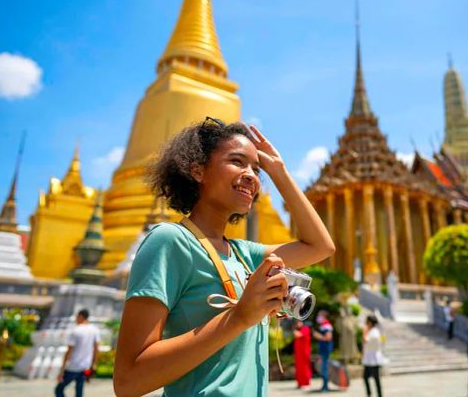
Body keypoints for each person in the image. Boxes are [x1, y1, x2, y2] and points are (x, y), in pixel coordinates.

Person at [113, 120, 334, 396]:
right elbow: (127, 381)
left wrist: (278, 172)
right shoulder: (170, 241)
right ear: (197, 170)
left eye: (256, 169)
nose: (251, 175)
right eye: (237, 162)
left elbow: (321, 246)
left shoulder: (245, 255)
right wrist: (238, 317)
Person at [55, 309, 100, 397]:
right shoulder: (95, 330)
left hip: (73, 366)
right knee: (79, 390)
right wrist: (94, 363)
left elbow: (69, 351)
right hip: (86, 367)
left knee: (59, 389)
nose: (76, 319)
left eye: (76, 317)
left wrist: (62, 369)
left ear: (81, 316)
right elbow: (96, 349)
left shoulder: (76, 330)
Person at [362, 315, 383, 397]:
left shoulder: (374, 332)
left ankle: (379, 395)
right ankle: (369, 394)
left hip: (374, 359)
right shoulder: (371, 331)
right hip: (368, 358)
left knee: (376, 379)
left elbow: (365, 341)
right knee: (365, 377)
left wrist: (364, 332)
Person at [313, 310, 334, 392]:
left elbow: (328, 337)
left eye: (319, 316)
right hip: (324, 349)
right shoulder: (323, 325)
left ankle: (325, 387)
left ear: (324, 317)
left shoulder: (327, 326)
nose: (318, 317)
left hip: (326, 349)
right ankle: (324, 386)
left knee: (324, 368)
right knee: (323, 367)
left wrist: (318, 336)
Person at [293, 320, 312, 389]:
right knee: (299, 368)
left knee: (305, 368)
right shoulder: (298, 329)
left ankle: (306, 383)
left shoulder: (305, 328)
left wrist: (294, 329)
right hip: (298, 353)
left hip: (304, 352)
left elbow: (298, 335)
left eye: (298, 322)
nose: (297, 324)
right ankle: (300, 383)